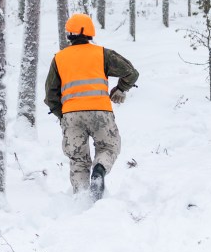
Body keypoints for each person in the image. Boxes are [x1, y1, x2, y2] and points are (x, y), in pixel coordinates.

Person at [44, 13, 139, 200]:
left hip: (71, 115)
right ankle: (100, 169)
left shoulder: (59, 59)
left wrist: (62, 116)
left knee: (78, 160)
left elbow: (50, 95)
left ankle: (82, 200)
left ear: (69, 34)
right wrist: (120, 89)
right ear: (90, 33)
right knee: (109, 148)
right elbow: (132, 73)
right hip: (100, 112)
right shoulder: (103, 54)